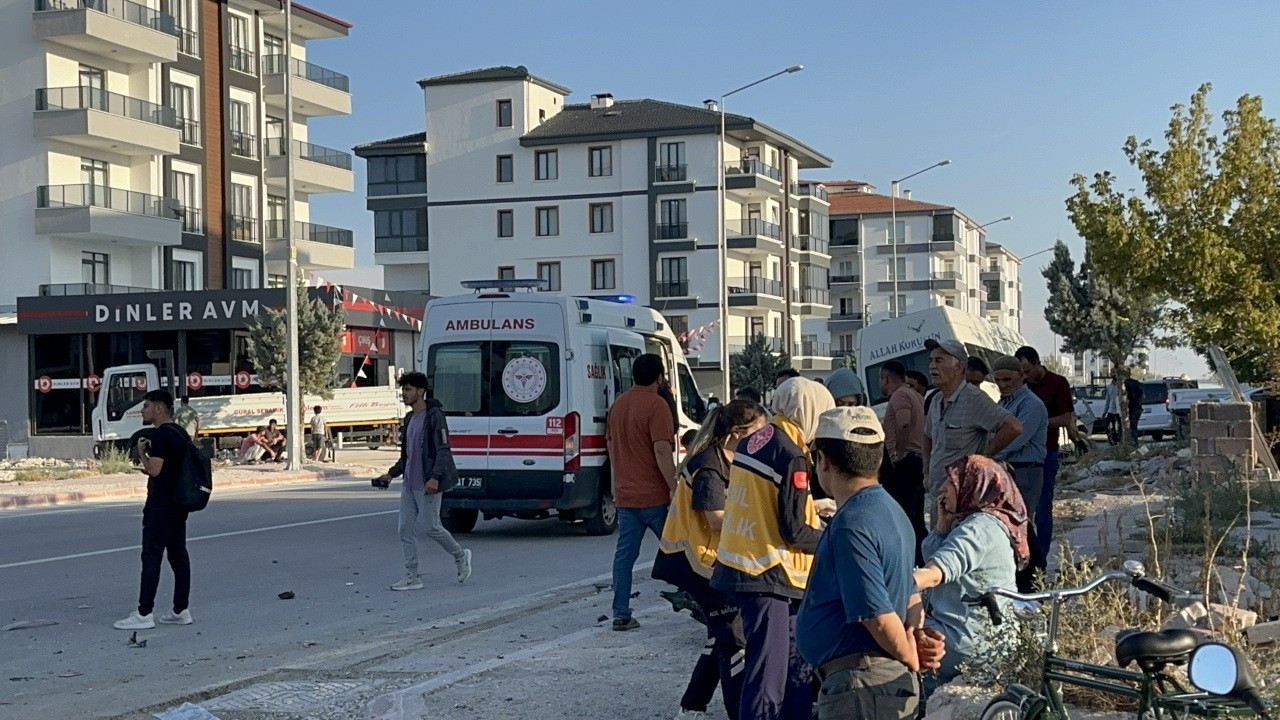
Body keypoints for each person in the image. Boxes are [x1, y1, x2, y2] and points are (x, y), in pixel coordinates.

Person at [796, 406, 944, 720]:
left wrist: (911, 658)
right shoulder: (890, 510)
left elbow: (877, 617)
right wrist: (915, 641)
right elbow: (909, 591)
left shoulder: (852, 524)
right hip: (873, 682)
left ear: (824, 460)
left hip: (862, 686)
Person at [712, 377, 832, 720]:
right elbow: (794, 529)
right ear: (809, 412)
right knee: (770, 674)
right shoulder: (792, 454)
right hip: (766, 571)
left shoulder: (756, 440)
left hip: (743, 562)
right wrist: (832, 540)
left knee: (795, 664)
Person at [655, 399, 768, 720]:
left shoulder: (730, 459)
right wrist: (760, 518)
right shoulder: (709, 464)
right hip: (697, 564)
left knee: (720, 636)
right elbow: (716, 518)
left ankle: (691, 707)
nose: (764, 439)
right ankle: (740, 713)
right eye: (758, 433)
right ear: (736, 433)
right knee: (735, 639)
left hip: (710, 561)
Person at [913, 455, 1028, 697]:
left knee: (889, 640)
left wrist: (896, 583)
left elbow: (936, 573)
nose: (943, 488)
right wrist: (942, 527)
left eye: (953, 481)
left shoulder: (978, 528)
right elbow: (936, 555)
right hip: (985, 633)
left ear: (974, 485)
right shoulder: (980, 522)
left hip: (968, 637)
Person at [373, 372, 472, 590]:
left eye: (408, 389)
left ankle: (460, 555)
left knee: (431, 527)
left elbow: (443, 450)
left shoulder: (434, 415)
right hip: (409, 483)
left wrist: (435, 477)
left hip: (428, 483)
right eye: (403, 389)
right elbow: (406, 455)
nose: (404, 394)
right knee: (404, 529)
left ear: (420, 391)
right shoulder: (409, 419)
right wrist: (391, 474)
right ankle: (412, 576)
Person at [606, 353, 677, 631]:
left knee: (624, 557)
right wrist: (675, 487)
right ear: (659, 377)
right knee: (678, 551)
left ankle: (620, 612)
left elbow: (612, 450)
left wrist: (616, 485)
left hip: (626, 495)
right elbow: (662, 449)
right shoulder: (656, 405)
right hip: (655, 496)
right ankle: (700, 601)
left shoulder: (619, 405)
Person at [114, 390, 195, 630]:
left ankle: (143, 613)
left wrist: (141, 452)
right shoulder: (180, 433)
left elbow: (155, 470)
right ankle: (181, 610)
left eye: (147, 406)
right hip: (179, 504)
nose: (144, 410)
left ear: (159, 409)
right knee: (178, 555)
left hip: (160, 506)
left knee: (151, 556)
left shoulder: (161, 435)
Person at [923, 339, 1022, 529]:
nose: (932, 366)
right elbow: (927, 435)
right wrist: (926, 471)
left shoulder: (974, 399)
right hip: (939, 498)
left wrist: (983, 459)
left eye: (939, 361)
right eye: (931, 360)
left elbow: (1014, 427)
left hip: (965, 503)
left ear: (959, 367)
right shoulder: (935, 400)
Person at [1015, 346, 1074, 576]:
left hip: (1046, 453)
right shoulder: (1022, 388)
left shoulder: (1057, 383)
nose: (1025, 376)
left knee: (1042, 507)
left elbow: (1066, 418)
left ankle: (1041, 559)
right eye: (1022, 373)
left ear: (1038, 363)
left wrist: (1037, 423)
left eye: (1028, 370)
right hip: (1019, 457)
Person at [991, 355, 1048, 592]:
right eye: (999, 380)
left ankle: (1034, 579)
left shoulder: (1031, 404)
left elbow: (1015, 438)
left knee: (1022, 524)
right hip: (1007, 469)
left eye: (1008, 379)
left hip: (1025, 470)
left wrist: (986, 453)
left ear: (1021, 376)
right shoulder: (1003, 403)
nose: (1003, 384)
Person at [879, 360, 928, 563]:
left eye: (880, 380)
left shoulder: (899, 395)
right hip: (917, 461)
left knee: (901, 517)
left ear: (886, 379)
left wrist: (898, 453)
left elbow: (904, 421)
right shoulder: (916, 395)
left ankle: (907, 562)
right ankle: (920, 559)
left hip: (904, 463)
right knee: (915, 519)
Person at [1104, 372, 1123, 445]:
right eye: (1112, 373)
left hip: (1119, 410)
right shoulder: (1109, 386)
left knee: (1121, 426)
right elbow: (1107, 400)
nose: (1113, 375)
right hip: (1111, 409)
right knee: (1107, 425)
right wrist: (1105, 411)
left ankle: (1120, 439)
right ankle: (1112, 440)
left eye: (1115, 373)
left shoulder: (1121, 386)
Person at [1124, 372, 1144, 444]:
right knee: (1134, 427)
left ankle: (1133, 443)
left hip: (1131, 408)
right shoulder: (1136, 383)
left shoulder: (1125, 384)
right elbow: (1142, 396)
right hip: (1138, 408)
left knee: (1131, 428)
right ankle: (1134, 443)